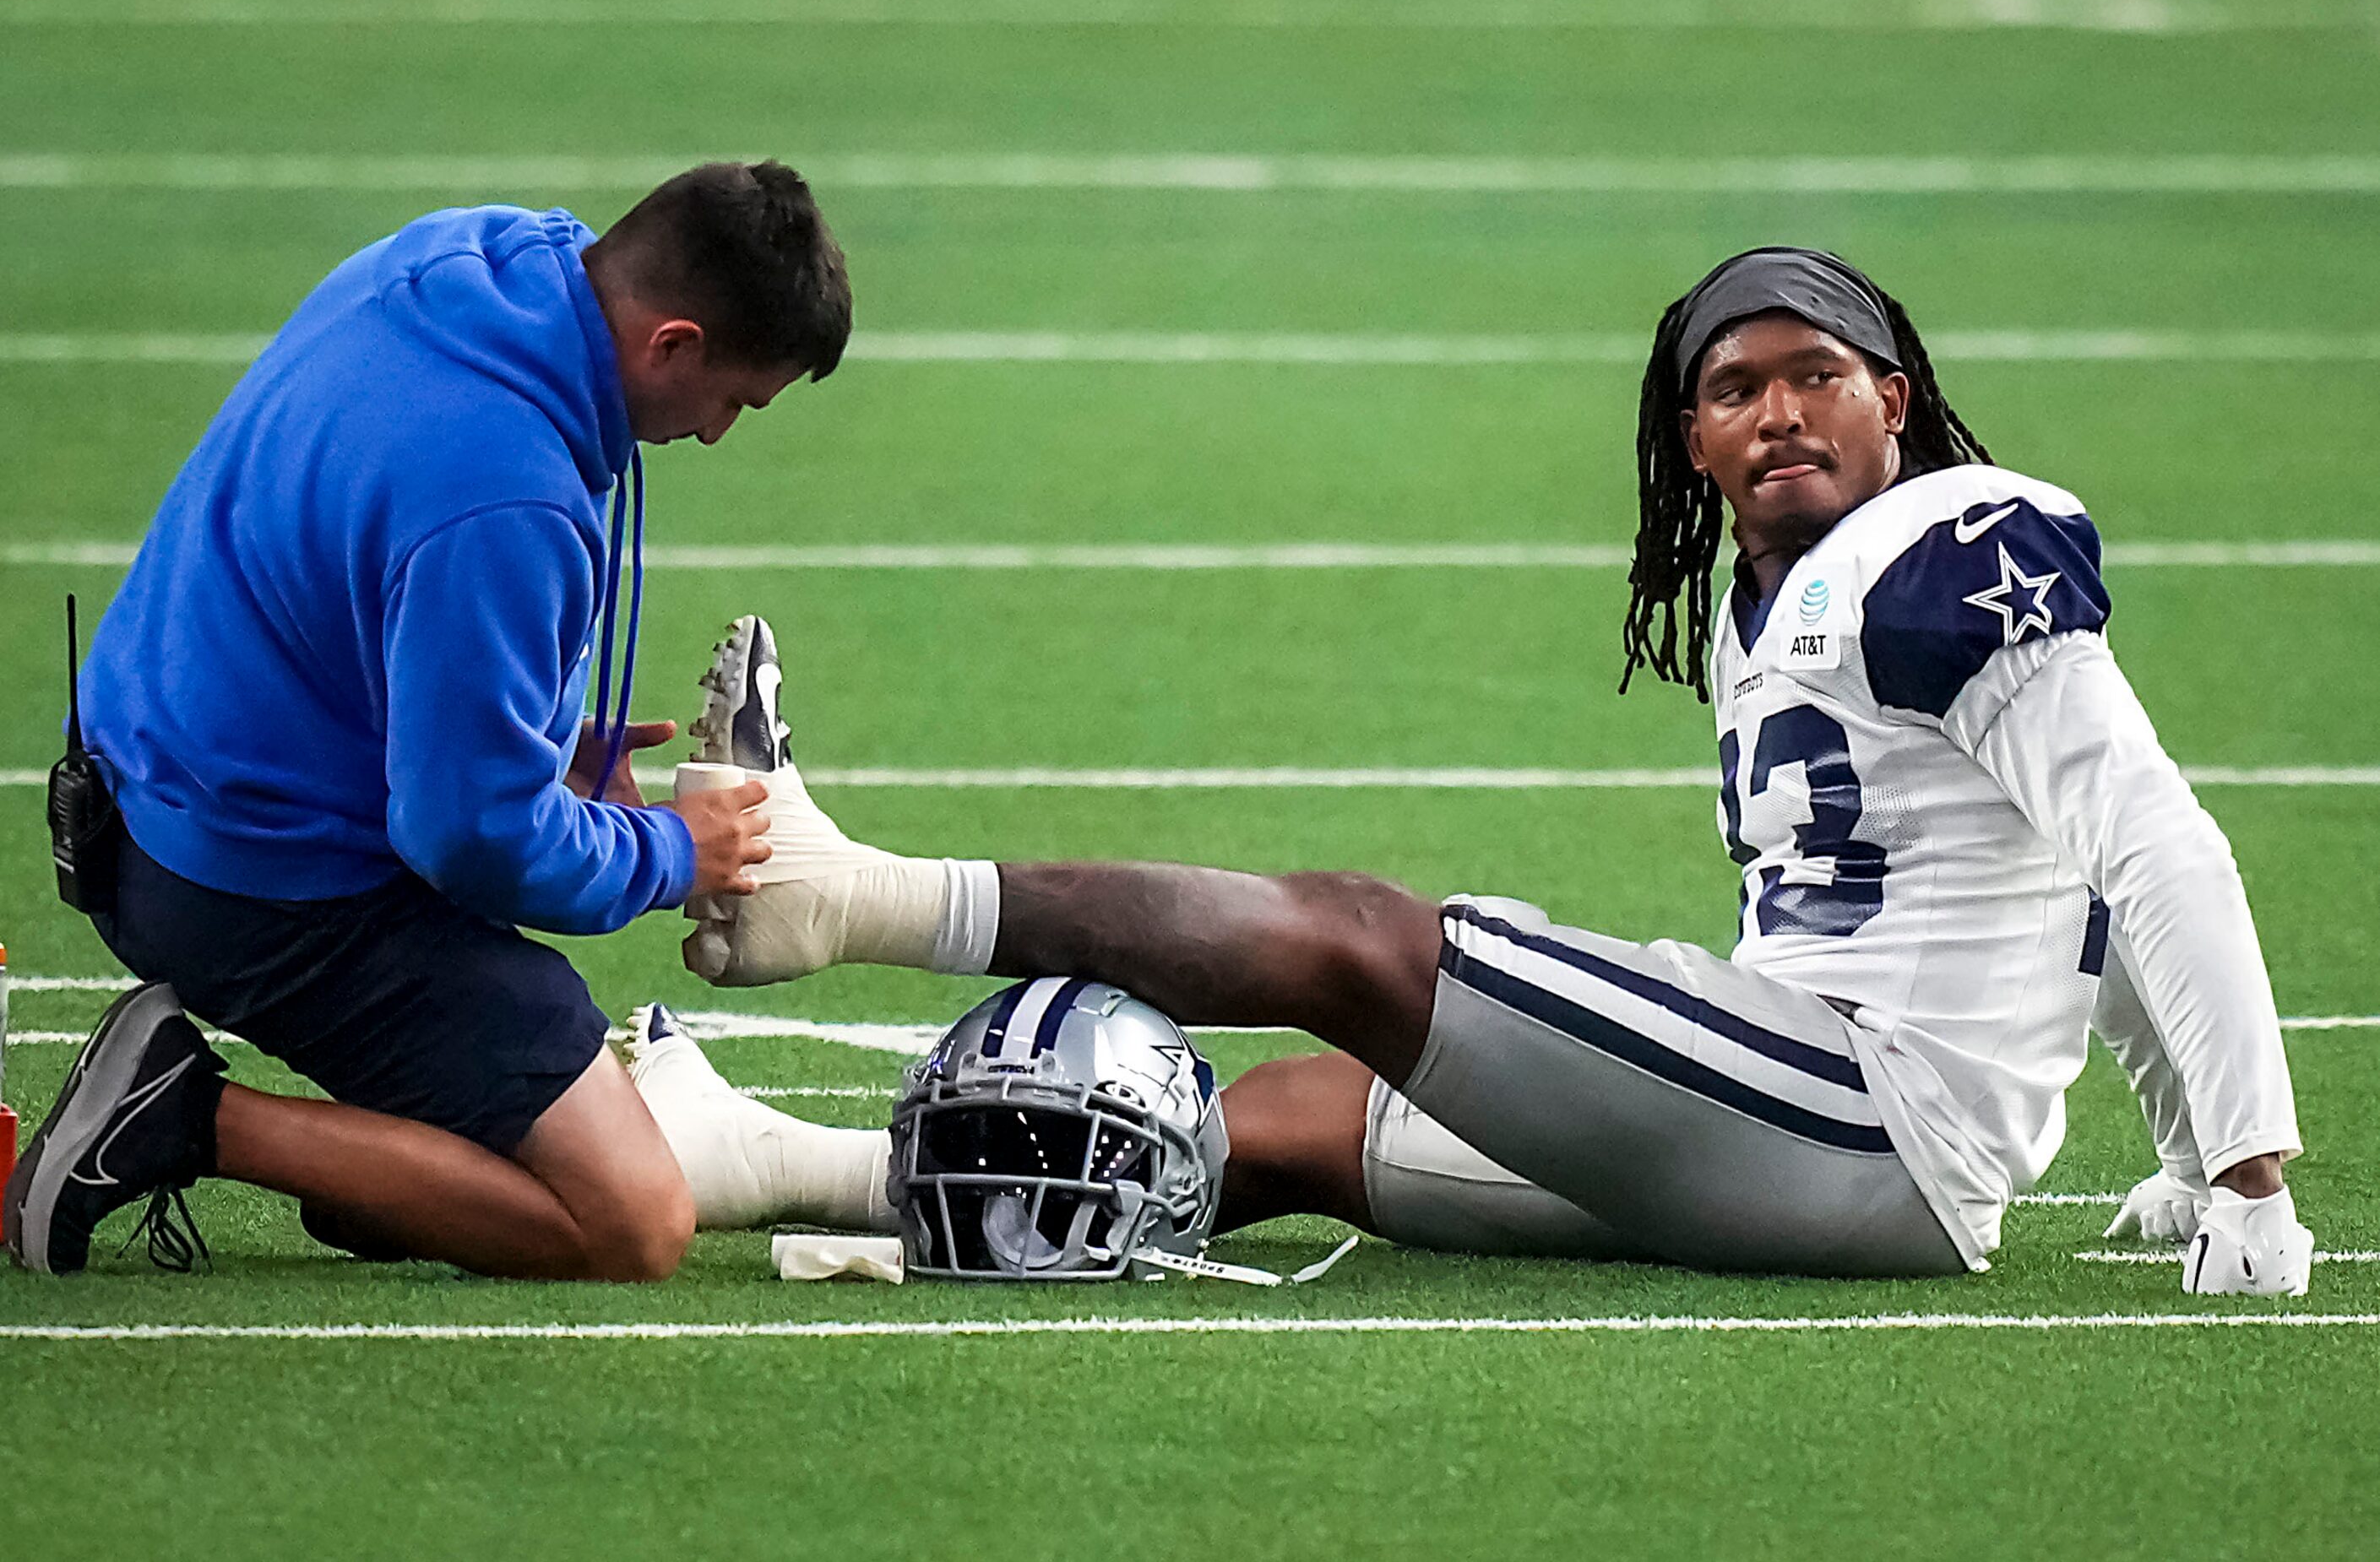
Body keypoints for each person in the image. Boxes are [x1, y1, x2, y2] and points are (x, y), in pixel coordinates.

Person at [644, 247, 2312, 1294]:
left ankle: (837, 893)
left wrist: (2241, 1163)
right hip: (1798, 1110)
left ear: (1893, 396)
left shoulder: (1957, 542)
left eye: (1816, 373)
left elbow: (2145, 847)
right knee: (1288, 1127)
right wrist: (2168, 1160)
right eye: (1732, 388)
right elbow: (2052, 873)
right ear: (1689, 444)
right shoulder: (1765, 609)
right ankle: (766, 1165)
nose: (1777, 410)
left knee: (1360, 944)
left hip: (1874, 1118)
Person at [4, 161, 850, 1282]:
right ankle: (178, 1110)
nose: (716, 435)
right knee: (630, 1222)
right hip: (247, 888)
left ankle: (395, 1167)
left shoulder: (468, 258)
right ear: (673, 342)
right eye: (736, 399)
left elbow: (357, 584)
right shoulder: (510, 498)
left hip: (140, 785)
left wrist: (541, 756)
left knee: (509, 1107)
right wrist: (666, 853)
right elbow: (469, 836)